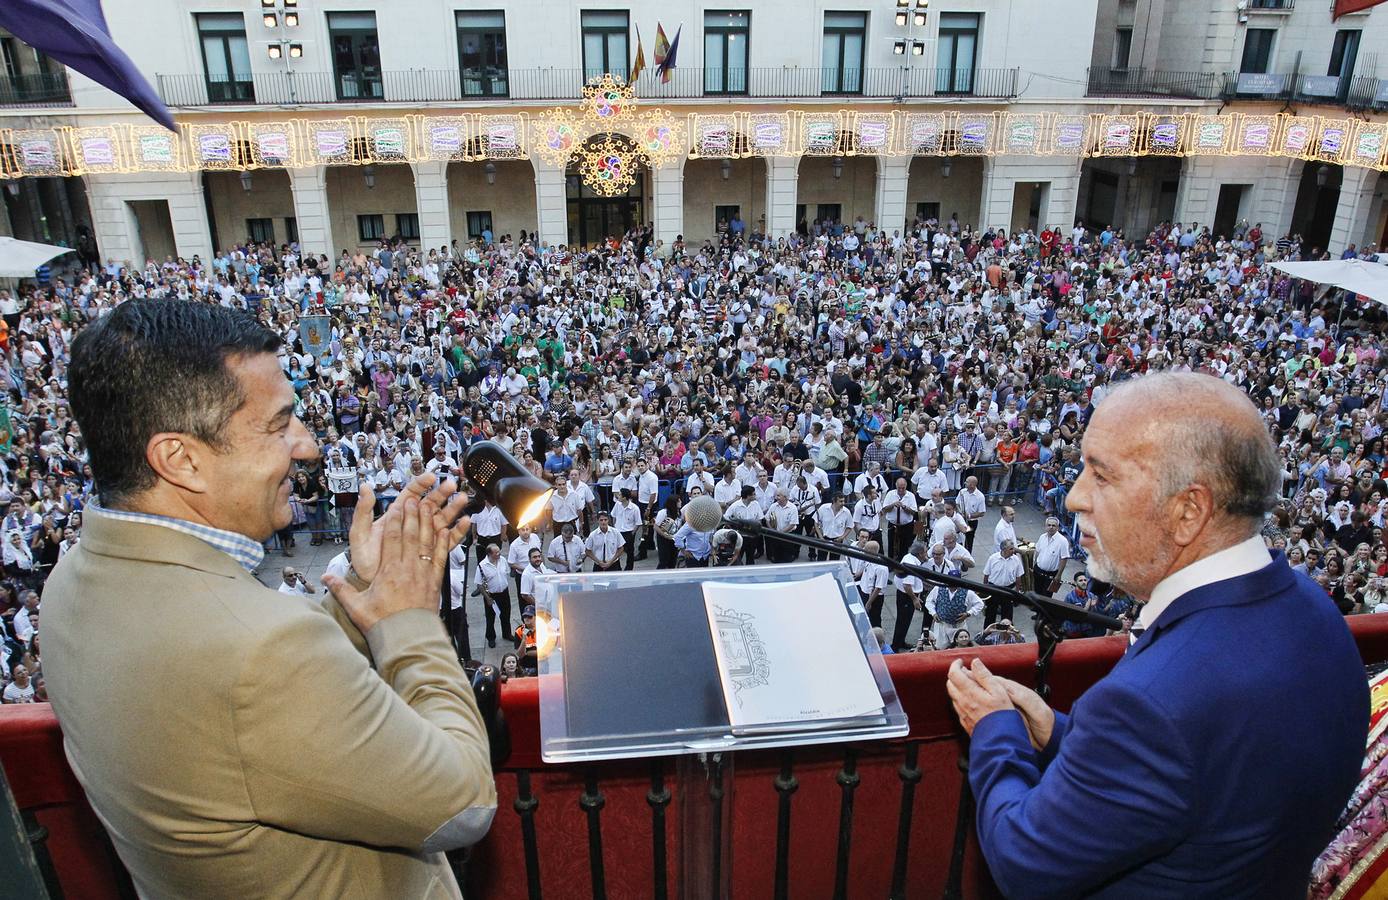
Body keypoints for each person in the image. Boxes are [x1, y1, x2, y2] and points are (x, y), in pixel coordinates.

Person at [44, 300, 495, 898]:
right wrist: (409, 620)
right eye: (279, 425)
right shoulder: (261, 652)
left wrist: (364, 590)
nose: (306, 448)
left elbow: (261, 713)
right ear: (180, 459)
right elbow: (461, 804)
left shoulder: (70, 583)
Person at [946, 372, 1369, 898]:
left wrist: (995, 729)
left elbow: (1024, 862)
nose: (1075, 497)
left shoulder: (1148, 705)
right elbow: (1190, 782)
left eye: (1101, 476)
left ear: (1188, 512)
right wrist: (1056, 733)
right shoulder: (1316, 614)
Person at [474, 542, 512, 650]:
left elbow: (506, 573)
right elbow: (479, 584)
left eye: (499, 551)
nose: (499, 553)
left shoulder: (503, 560)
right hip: (491, 595)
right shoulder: (482, 566)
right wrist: (487, 598)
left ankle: (507, 633)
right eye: (496, 552)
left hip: (504, 592)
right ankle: (491, 637)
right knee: (490, 617)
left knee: (506, 614)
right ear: (489, 554)